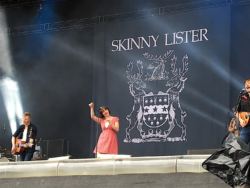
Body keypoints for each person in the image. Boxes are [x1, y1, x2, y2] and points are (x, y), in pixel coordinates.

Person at [236, 79, 250, 144]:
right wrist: (241, 120)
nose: (247, 85)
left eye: (249, 83)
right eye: (246, 84)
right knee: (241, 146)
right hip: (246, 126)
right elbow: (237, 111)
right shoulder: (243, 96)